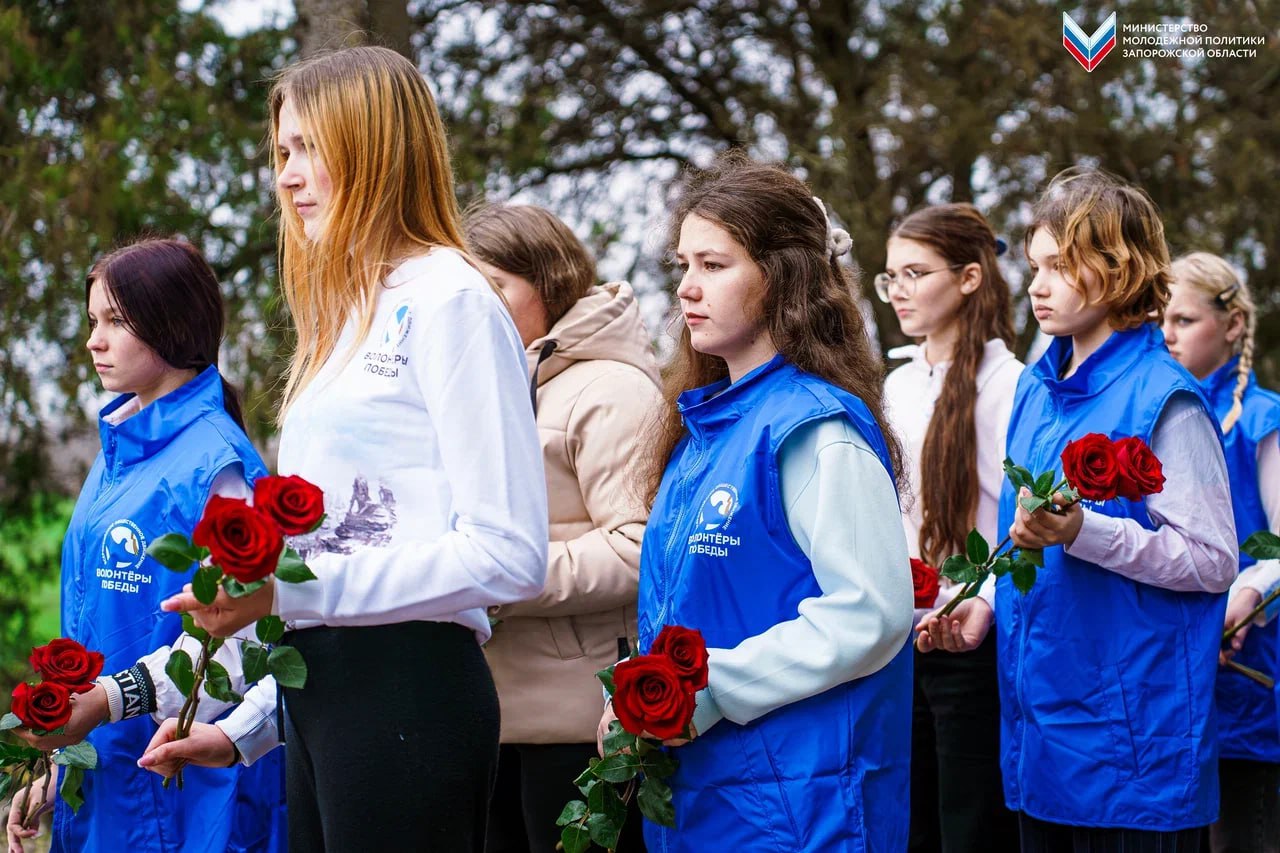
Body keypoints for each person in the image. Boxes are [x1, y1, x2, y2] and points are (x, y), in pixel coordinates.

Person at [136, 46, 548, 851]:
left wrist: (291, 595)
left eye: (310, 148)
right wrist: (236, 668)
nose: (287, 176)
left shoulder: (452, 299)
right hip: (320, 687)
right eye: (282, 151)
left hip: (411, 687)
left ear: (378, 147)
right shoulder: (344, 317)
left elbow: (509, 552)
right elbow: (330, 548)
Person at [601, 152, 914, 851]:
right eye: (682, 265)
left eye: (714, 265)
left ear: (781, 277)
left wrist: (705, 689)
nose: (687, 288)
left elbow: (871, 611)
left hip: (801, 810)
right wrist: (636, 691)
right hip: (707, 802)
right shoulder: (704, 429)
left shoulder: (815, 427)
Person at [918, 168, 1238, 850]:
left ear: (1121, 269)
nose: (1037, 284)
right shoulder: (1036, 391)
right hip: (1042, 742)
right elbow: (1027, 542)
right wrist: (989, 602)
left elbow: (1213, 561)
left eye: (1062, 266)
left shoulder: (1167, 398)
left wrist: (1086, 530)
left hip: (1133, 759)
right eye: (1035, 266)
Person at [6, 238, 286, 853]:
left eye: (115, 321)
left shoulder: (218, 464)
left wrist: (112, 705)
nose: (93, 341)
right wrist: (62, 763)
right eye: (91, 322)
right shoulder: (117, 449)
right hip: (107, 775)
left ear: (172, 323)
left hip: (180, 789)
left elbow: (238, 646)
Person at [464, 204, 660, 853]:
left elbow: (640, 548)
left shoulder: (613, 390)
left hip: (582, 729)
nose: (476, 307)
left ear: (548, 282)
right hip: (490, 721)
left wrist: (500, 575)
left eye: (493, 286)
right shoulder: (487, 386)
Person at [880, 203, 1021, 853]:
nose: (898, 291)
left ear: (969, 277)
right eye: (889, 278)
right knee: (910, 821)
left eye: (914, 272)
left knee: (972, 822)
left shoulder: (1012, 384)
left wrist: (977, 602)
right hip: (902, 638)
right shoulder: (896, 384)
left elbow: (1020, 522)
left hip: (976, 639)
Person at [1164, 252, 1280, 853]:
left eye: (1184, 319)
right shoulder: (1162, 413)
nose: (1167, 334)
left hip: (1248, 672)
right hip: (1176, 679)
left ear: (1232, 324)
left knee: (1244, 834)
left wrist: (1250, 592)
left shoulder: (1262, 420)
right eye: (1161, 318)